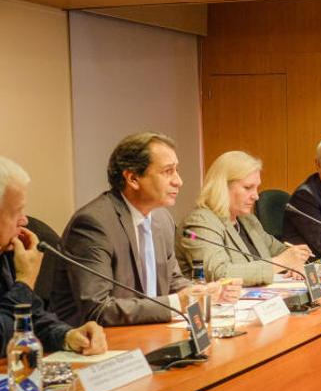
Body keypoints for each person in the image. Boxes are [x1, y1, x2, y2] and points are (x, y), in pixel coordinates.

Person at [50, 132, 238, 327]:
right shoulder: (93, 224)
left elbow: (172, 281)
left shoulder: (161, 218)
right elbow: (98, 310)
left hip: (147, 331)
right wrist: (177, 303)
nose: (178, 181)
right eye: (168, 171)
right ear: (133, 178)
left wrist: (207, 293)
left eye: (176, 170)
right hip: (97, 343)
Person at [0, 156, 105, 354]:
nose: (24, 221)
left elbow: (32, 317)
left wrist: (67, 336)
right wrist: (24, 282)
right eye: (17, 212)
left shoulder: (7, 251)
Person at [177, 151, 312, 286]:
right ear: (222, 186)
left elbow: (281, 251)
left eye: (256, 188)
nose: (256, 196)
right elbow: (219, 274)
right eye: (248, 188)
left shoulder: (247, 220)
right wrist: (281, 262)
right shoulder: (200, 222)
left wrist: (295, 262)